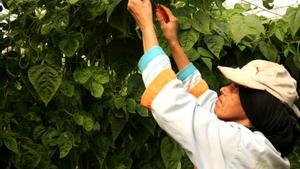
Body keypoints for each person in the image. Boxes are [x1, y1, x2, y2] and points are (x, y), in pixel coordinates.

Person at [127, 0, 300, 168]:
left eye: (236, 89)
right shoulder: (258, 146)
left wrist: (146, 25)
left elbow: (171, 102)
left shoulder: (239, 147)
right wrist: (173, 41)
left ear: (257, 105)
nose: (224, 89)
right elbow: (204, 100)